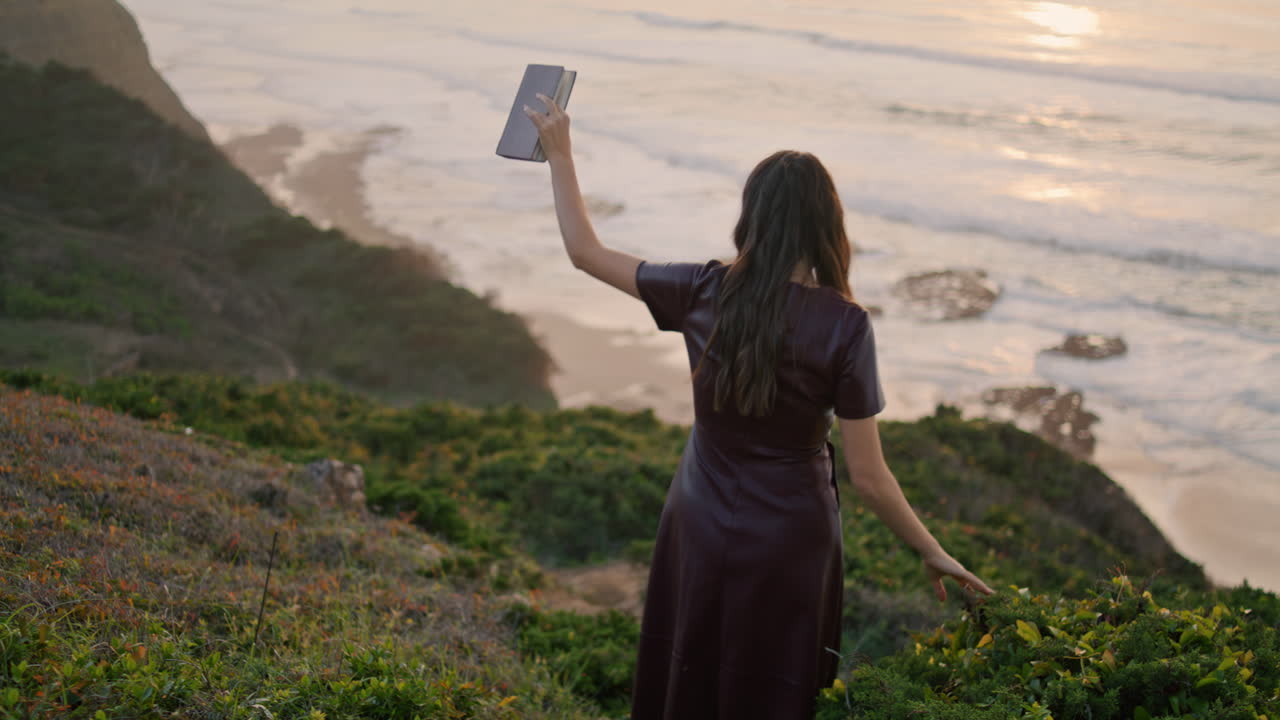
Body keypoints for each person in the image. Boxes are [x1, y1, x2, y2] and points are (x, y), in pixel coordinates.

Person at [523, 93, 996, 720]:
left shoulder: (702, 289)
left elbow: (585, 252)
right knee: (773, 688)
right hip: (790, 539)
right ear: (829, 225)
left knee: (687, 671)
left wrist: (561, 156)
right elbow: (871, 479)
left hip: (697, 515)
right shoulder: (845, 326)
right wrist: (929, 548)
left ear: (753, 216)